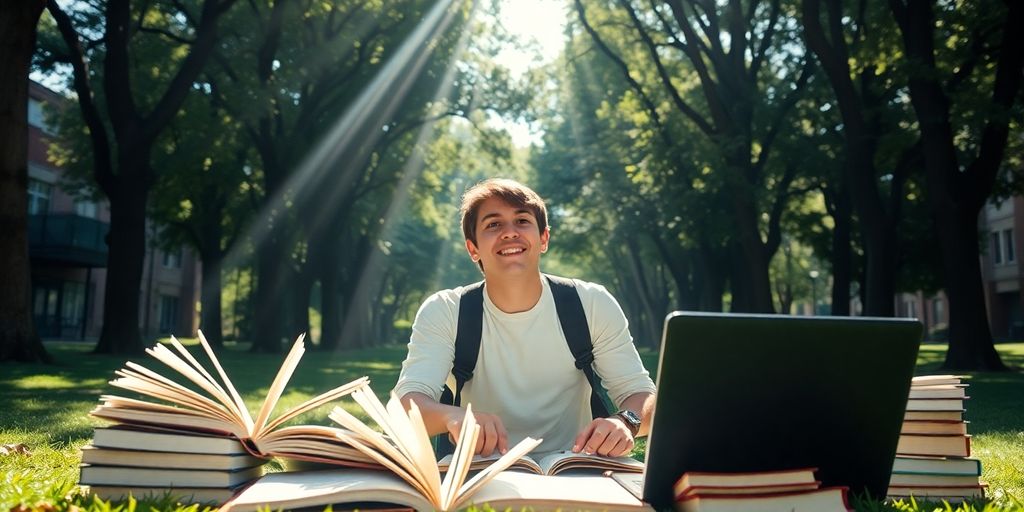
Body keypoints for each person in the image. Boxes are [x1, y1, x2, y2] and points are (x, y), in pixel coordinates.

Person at [393, 178, 656, 458]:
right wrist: (452, 417)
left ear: (543, 239)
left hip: (576, 469)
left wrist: (626, 421)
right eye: (493, 224)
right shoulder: (445, 310)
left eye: (522, 221)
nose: (509, 233)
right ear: (473, 249)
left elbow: (642, 394)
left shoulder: (592, 303)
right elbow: (405, 405)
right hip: (479, 474)